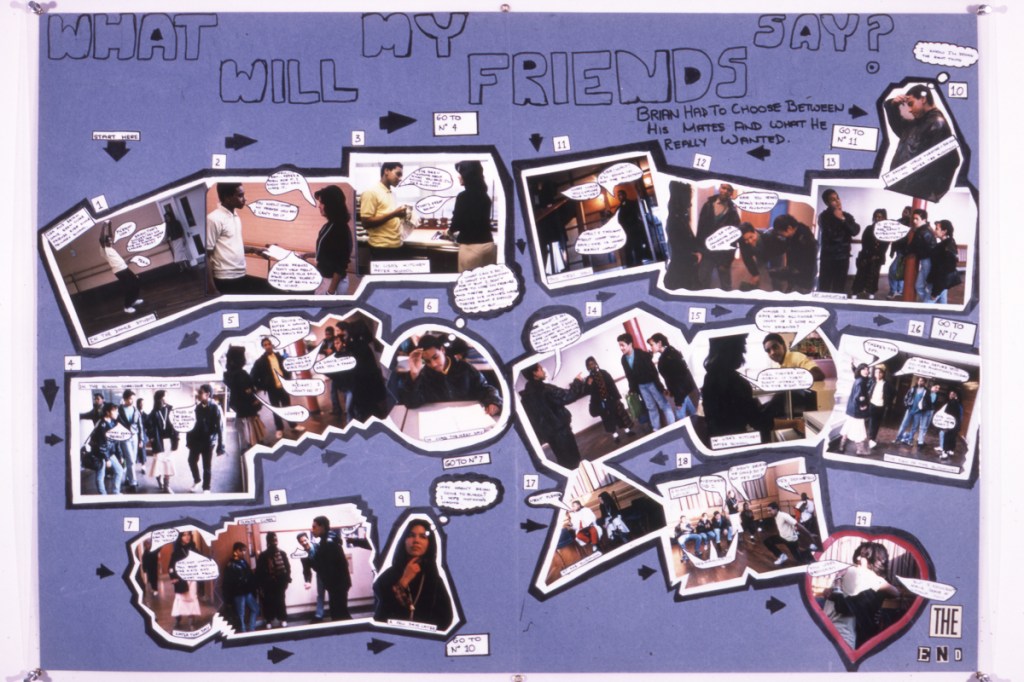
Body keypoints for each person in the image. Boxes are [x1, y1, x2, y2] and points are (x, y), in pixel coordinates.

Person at [883, 84, 960, 202]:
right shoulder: (918, 123)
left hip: (909, 191)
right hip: (901, 188)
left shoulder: (937, 124)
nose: (909, 109)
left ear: (923, 99)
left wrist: (923, 192)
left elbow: (950, 162)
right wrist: (892, 105)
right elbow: (899, 128)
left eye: (911, 104)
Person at [374, 520, 454, 629]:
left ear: (430, 544)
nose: (416, 541)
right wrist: (404, 580)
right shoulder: (389, 575)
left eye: (423, 537)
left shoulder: (434, 578)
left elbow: (446, 618)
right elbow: (382, 612)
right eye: (411, 535)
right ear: (404, 541)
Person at [822, 541, 901, 649]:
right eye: (859, 554)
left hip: (836, 633)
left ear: (874, 560)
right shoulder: (861, 575)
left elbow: (894, 592)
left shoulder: (856, 574)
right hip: (845, 635)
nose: (858, 558)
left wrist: (837, 582)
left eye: (863, 556)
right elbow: (895, 592)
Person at [399, 334, 502, 415]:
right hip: (437, 420)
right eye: (427, 361)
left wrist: (493, 402)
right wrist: (414, 374)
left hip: (466, 417)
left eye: (435, 357)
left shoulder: (464, 368)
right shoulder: (424, 375)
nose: (434, 364)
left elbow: (485, 388)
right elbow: (411, 404)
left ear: (442, 350)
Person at [700, 334, 773, 442]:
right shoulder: (736, 383)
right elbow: (758, 421)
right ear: (732, 352)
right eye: (741, 351)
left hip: (715, 441)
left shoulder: (709, 377)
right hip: (735, 441)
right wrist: (793, 423)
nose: (742, 356)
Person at [518, 363, 587, 469]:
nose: (543, 370)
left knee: (563, 461)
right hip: (562, 434)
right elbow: (567, 397)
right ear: (535, 373)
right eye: (540, 369)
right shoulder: (545, 389)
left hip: (550, 436)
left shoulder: (526, 396)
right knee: (573, 461)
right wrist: (577, 381)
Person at [206, 183, 270, 295]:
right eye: (240, 195)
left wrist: (255, 250)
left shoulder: (235, 216)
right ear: (227, 198)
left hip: (241, 275)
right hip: (225, 279)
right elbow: (206, 255)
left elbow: (232, 246)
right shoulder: (213, 219)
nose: (245, 199)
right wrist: (212, 289)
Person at [300, 184, 352, 295]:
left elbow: (341, 264)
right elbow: (329, 252)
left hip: (332, 283)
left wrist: (331, 291)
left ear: (331, 205)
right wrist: (308, 255)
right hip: (324, 279)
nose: (319, 206)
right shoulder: (329, 225)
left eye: (322, 203)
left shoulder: (340, 228)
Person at [618, 333, 676, 432]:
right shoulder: (623, 359)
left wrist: (660, 387)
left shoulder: (641, 354)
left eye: (622, 345)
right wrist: (632, 389)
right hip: (641, 387)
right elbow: (629, 376)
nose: (621, 348)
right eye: (619, 345)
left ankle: (673, 424)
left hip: (652, 384)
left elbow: (653, 372)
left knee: (663, 404)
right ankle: (656, 428)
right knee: (651, 407)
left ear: (630, 344)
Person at [447, 160, 497, 271]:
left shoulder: (463, 197)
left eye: (461, 174)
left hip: (471, 248)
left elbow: (456, 224)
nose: (459, 177)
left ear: (468, 176)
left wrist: (448, 232)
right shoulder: (485, 197)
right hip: (488, 246)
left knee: (467, 281)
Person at [251, 337, 303, 439]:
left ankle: (293, 425)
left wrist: (287, 378)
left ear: (271, 345)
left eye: (268, 344)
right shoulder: (260, 361)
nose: (267, 346)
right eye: (265, 345)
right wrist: (263, 386)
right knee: (276, 409)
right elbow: (253, 376)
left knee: (287, 407)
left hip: (283, 387)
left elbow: (287, 368)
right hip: (272, 389)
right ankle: (279, 429)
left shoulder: (280, 357)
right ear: (263, 347)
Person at [359, 162, 409, 256]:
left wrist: (401, 216)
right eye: (398, 174)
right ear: (386, 171)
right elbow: (366, 222)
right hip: (381, 247)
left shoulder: (391, 193)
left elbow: (387, 216)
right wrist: (394, 214)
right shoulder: (371, 192)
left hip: (396, 244)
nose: (400, 178)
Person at [696, 183, 740, 290]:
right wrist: (698, 250)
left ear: (731, 193)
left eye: (728, 190)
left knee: (726, 285)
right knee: (703, 281)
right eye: (723, 188)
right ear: (719, 188)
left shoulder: (733, 212)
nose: (725, 191)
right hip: (707, 251)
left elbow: (734, 237)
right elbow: (700, 229)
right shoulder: (708, 205)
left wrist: (729, 259)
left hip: (723, 254)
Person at [581, 357, 634, 444]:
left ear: (596, 363)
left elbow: (612, 385)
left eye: (593, 363)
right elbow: (587, 392)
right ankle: (615, 436)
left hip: (611, 399)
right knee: (607, 419)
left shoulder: (604, 373)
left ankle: (627, 431)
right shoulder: (589, 379)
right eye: (589, 365)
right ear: (587, 367)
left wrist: (617, 397)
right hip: (601, 403)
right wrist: (588, 384)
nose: (592, 366)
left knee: (619, 415)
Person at [817, 189, 860, 294]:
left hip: (843, 258)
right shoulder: (823, 216)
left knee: (839, 288)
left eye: (837, 198)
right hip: (828, 258)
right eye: (833, 199)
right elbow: (833, 237)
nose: (837, 201)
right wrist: (846, 230)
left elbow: (855, 231)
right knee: (824, 288)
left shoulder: (846, 216)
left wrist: (842, 219)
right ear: (827, 203)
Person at [310, 515, 353, 622]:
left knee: (339, 615)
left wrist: (311, 561)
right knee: (340, 613)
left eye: (314, 527)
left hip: (337, 585)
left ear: (322, 527)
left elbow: (327, 567)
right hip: (337, 585)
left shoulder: (328, 543)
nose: (312, 530)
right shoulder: (328, 541)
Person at [185, 384, 225, 494]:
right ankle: (197, 480)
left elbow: (220, 428)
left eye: (200, 392)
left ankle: (206, 488)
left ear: (207, 394)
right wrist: (188, 441)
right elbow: (190, 425)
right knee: (191, 460)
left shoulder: (215, 407)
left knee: (206, 465)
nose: (198, 394)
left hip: (208, 441)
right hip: (196, 440)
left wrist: (221, 446)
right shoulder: (197, 408)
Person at [648, 332, 698, 419]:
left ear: (659, 343)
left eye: (652, 345)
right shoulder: (671, 352)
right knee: (692, 412)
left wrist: (678, 401)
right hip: (683, 391)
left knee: (680, 416)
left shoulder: (667, 359)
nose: (650, 347)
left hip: (680, 392)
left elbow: (677, 380)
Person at [223, 346, 265, 449]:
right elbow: (247, 389)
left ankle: (248, 445)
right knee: (252, 424)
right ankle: (256, 445)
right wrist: (254, 399)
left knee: (244, 427)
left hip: (238, 404)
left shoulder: (228, 374)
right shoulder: (241, 374)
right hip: (247, 404)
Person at [663, 180, 700, 291]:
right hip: (680, 274)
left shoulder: (679, 218)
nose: (690, 204)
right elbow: (679, 250)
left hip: (684, 270)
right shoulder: (675, 220)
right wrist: (695, 256)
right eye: (688, 199)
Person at [99, 225, 143, 314]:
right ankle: (127, 306)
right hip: (119, 271)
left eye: (110, 240)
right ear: (105, 242)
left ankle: (133, 300)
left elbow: (111, 236)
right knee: (129, 288)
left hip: (124, 268)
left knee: (136, 283)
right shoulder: (104, 250)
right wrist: (104, 226)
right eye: (109, 241)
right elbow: (101, 239)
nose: (111, 241)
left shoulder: (110, 247)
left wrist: (110, 225)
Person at [769, 214, 817, 293]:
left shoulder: (804, 238)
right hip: (794, 274)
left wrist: (783, 272)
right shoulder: (794, 232)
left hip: (803, 278)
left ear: (789, 228)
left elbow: (804, 264)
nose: (781, 236)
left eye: (781, 233)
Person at [255, 531, 291, 629]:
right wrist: (261, 585)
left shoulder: (282, 553)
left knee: (281, 601)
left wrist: (286, 580)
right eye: (272, 540)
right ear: (268, 541)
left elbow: (287, 568)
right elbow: (259, 571)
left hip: (280, 583)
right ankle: (269, 620)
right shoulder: (263, 555)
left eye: (276, 540)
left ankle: (282, 619)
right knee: (268, 602)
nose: (275, 542)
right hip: (268, 584)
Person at [851, 209, 890, 299]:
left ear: (884, 218)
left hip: (878, 257)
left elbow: (885, 246)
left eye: (880, 217)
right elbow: (864, 242)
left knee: (874, 275)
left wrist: (877, 254)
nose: (877, 218)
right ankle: (855, 291)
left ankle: (871, 292)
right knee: (861, 274)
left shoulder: (886, 231)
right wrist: (869, 254)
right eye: (876, 216)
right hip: (866, 255)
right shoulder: (869, 228)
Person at [169, 530, 203, 630]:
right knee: (180, 599)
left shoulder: (194, 549)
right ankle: (178, 619)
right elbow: (171, 566)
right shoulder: (177, 552)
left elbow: (201, 562)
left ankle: (191, 620)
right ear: (180, 537)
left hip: (192, 579)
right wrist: (173, 577)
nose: (187, 537)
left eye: (188, 535)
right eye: (184, 535)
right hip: (181, 579)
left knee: (192, 598)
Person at [222, 542, 259, 633]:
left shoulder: (243, 561)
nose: (244, 552)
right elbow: (228, 582)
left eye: (245, 550)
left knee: (255, 609)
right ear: (235, 551)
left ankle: (251, 628)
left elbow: (249, 575)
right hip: (238, 593)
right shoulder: (230, 564)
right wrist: (228, 598)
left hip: (246, 591)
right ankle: (244, 631)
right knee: (241, 614)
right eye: (241, 550)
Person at [146, 390, 179, 494]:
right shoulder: (154, 412)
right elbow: (147, 425)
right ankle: (159, 479)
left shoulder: (171, 409)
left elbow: (177, 423)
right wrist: (151, 437)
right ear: (160, 398)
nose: (167, 398)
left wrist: (177, 437)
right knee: (158, 463)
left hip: (169, 440)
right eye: (165, 396)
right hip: (159, 441)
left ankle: (166, 485)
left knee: (168, 462)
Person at [90, 402, 124, 495]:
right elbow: (101, 445)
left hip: (109, 452)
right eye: (115, 411)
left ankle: (116, 492)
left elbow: (117, 441)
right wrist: (107, 459)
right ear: (107, 412)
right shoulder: (102, 425)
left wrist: (120, 455)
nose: (117, 413)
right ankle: (103, 495)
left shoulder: (113, 423)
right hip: (99, 453)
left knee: (119, 470)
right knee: (101, 475)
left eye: (117, 411)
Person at [838, 363, 871, 454]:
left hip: (852, 409)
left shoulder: (858, 379)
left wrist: (853, 366)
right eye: (864, 369)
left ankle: (841, 446)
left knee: (848, 427)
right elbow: (859, 397)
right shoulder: (861, 382)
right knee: (859, 430)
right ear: (860, 371)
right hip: (857, 411)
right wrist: (863, 406)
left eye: (867, 369)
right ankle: (860, 450)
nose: (866, 371)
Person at [116, 389, 146, 491]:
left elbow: (140, 425)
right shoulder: (119, 410)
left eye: (133, 399)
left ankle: (128, 478)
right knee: (130, 459)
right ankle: (133, 482)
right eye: (129, 399)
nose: (131, 401)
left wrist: (141, 439)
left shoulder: (135, 410)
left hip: (135, 436)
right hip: (124, 437)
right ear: (124, 399)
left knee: (132, 459)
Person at [763, 502, 809, 566]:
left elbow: (797, 524)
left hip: (790, 540)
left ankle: (810, 551)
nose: (768, 512)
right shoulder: (776, 516)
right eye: (768, 511)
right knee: (767, 542)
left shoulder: (784, 515)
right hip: (782, 537)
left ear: (776, 509)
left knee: (799, 559)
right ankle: (782, 556)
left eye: (770, 510)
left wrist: (810, 535)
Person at [906, 208, 937, 302]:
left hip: (928, 261)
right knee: (919, 286)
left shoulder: (923, 231)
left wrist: (905, 251)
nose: (914, 221)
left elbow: (913, 247)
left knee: (929, 286)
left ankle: (929, 304)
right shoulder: (923, 230)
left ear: (924, 220)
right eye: (913, 218)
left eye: (917, 219)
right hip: (925, 261)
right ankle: (929, 303)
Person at [927, 220, 960, 304]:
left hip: (939, 283)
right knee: (943, 303)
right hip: (941, 283)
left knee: (927, 304)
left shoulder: (946, 247)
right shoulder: (946, 243)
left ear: (944, 231)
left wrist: (935, 292)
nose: (934, 230)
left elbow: (944, 271)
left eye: (937, 229)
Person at [296, 532, 326, 623]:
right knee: (320, 595)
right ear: (299, 543)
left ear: (308, 539)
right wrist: (308, 581)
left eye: (305, 540)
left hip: (330, 572)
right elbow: (306, 570)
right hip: (320, 574)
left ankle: (337, 613)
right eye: (301, 542)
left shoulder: (319, 546)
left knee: (333, 593)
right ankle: (319, 615)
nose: (304, 543)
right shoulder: (303, 555)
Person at [615, 189, 649, 267]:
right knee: (628, 248)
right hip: (626, 230)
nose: (619, 197)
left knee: (636, 246)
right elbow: (617, 217)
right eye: (618, 195)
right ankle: (630, 264)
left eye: (621, 195)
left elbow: (636, 215)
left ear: (625, 195)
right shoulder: (619, 207)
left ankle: (638, 262)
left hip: (633, 229)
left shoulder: (632, 203)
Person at [886, 206, 913, 299]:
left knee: (893, 270)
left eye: (906, 212)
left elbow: (905, 238)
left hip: (904, 251)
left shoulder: (911, 225)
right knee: (899, 270)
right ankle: (899, 290)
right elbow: (893, 235)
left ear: (910, 214)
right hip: (898, 250)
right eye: (903, 211)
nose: (903, 213)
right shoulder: (898, 222)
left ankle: (894, 290)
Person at [895, 377, 929, 447]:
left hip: (918, 412)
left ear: (924, 382)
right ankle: (898, 439)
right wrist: (907, 405)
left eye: (922, 381)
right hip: (910, 410)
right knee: (903, 425)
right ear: (917, 381)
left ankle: (910, 440)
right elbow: (906, 397)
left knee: (914, 427)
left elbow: (928, 401)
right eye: (919, 380)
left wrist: (923, 409)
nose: (920, 382)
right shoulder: (913, 389)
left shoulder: (926, 391)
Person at [866, 365, 894, 448]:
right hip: (872, 404)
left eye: (880, 372)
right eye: (876, 372)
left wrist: (887, 402)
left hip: (881, 406)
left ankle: (873, 439)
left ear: (883, 374)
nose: (878, 374)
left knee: (877, 424)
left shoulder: (886, 384)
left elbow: (893, 393)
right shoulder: (872, 381)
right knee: (872, 423)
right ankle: (871, 439)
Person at [163, 205, 192, 271]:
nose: (167, 218)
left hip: (180, 239)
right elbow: (167, 234)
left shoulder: (176, 222)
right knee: (177, 255)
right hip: (174, 241)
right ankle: (182, 267)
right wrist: (165, 239)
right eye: (166, 217)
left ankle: (188, 266)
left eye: (168, 217)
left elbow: (181, 230)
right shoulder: (167, 225)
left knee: (184, 253)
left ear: (170, 216)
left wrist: (183, 238)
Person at [938, 388, 963, 459]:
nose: (950, 395)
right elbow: (960, 416)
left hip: (949, 424)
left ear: (955, 395)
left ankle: (944, 453)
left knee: (947, 438)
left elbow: (946, 414)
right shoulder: (959, 404)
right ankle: (951, 450)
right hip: (956, 424)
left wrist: (944, 424)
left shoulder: (950, 403)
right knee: (953, 438)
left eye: (952, 394)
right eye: (950, 394)